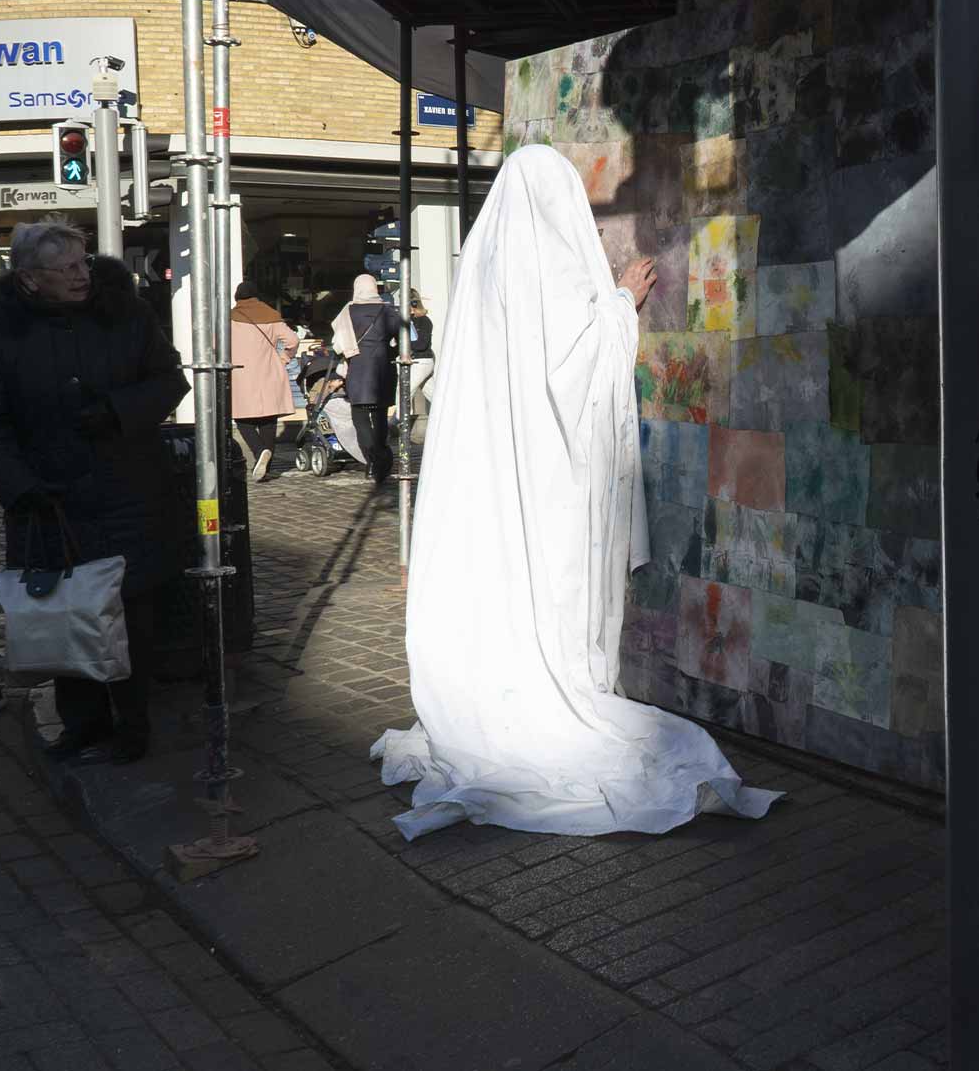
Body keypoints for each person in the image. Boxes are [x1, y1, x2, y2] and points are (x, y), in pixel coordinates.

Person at [371, 145, 782, 841]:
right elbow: (574, 360)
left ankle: (494, 685)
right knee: (552, 597)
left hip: (496, 470)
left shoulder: (483, 259)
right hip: (550, 475)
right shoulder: (553, 266)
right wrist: (622, 299)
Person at [0, 217, 189, 765]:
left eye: (82, 262)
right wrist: (19, 486)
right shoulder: (1, 330)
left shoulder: (124, 312)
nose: (79, 274)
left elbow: (170, 378)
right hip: (49, 503)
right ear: (28, 279)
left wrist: (117, 410)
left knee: (130, 617)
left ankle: (133, 727)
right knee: (64, 615)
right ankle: (82, 725)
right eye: (63, 268)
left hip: (128, 493)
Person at [329, 273, 402, 486]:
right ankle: (381, 458)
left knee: (360, 419)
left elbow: (337, 344)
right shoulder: (388, 311)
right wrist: (390, 351)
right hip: (382, 371)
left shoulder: (348, 311)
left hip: (358, 370)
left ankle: (372, 462)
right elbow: (407, 338)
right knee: (379, 417)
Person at [229, 279, 298, 481]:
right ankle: (266, 467)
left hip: (241, 375)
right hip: (269, 373)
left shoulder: (230, 319)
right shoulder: (272, 316)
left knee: (242, 419)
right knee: (269, 419)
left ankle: (260, 452)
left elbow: (217, 345)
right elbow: (293, 340)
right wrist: (284, 357)